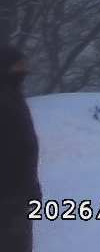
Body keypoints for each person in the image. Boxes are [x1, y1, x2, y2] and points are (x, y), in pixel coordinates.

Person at [0, 44, 40, 252]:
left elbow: (25, 148)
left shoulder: (15, 96)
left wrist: (33, 188)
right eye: (18, 65)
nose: (24, 70)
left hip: (20, 193)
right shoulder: (5, 99)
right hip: (9, 197)